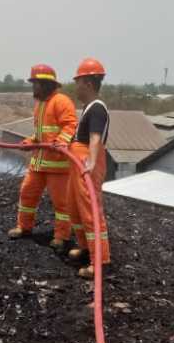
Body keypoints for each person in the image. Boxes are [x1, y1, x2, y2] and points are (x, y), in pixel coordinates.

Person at [7, 64, 77, 250]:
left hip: (57, 166)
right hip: (38, 164)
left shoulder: (62, 101)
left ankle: (61, 236)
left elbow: (70, 125)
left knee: (61, 204)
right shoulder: (40, 105)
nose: (33, 87)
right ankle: (24, 227)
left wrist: (61, 141)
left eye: (36, 83)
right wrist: (30, 141)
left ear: (46, 84)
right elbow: (40, 135)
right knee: (27, 194)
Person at [66, 57, 110, 279]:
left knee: (91, 212)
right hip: (79, 161)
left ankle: (98, 261)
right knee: (75, 208)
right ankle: (85, 247)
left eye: (78, 82)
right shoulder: (88, 108)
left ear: (89, 84)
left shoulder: (97, 109)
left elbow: (94, 138)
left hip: (87, 163)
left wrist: (91, 162)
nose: (76, 86)